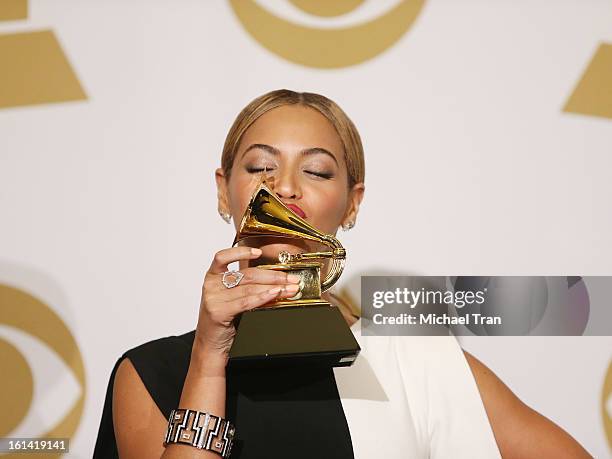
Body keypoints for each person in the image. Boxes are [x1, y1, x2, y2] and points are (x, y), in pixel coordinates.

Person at [93, 89, 592, 458]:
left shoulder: (411, 356)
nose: (283, 188)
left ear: (352, 204)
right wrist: (208, 359)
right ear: (224, 191)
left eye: (316, 171)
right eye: (259, 166)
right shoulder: (153, 372)